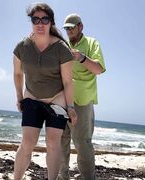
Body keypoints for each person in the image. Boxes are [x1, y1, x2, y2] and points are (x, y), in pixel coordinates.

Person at [13, 3, 77, 180]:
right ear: (31, 22)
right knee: (27, 143)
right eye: (35, 19)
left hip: (57, 100)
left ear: (51, 22)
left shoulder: (61, 49)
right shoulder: (22, 47)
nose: (40, 23)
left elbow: (67, 81)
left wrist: (70, 107)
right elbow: (18, 74)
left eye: (44, 19)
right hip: (32, 97)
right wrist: (19, 97)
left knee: (53, 143)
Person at [58, 13, 106, 180]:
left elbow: (99, 69)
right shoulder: (62, 44)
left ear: (80, 26)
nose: (69, 30)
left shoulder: (92, 43)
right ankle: (61, 177)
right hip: (60, 100)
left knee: (82, 143)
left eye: (72, 27)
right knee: (60, 142)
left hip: (82, 101)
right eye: (67, 28)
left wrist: (81, 57)